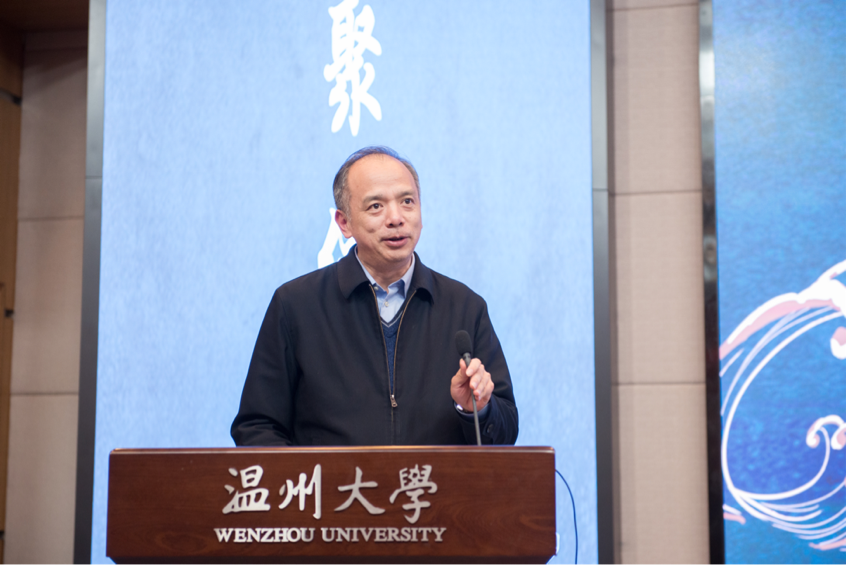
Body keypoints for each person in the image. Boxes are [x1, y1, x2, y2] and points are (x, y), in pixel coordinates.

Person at [231, 146, 518, 446]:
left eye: (407, 202)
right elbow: (257, 427)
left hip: (430, 479)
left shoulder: (465, 307)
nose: (396, 218)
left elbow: (507, 432)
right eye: (376, 206)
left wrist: (477, 410)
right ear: (344, 223)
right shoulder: (296, 305)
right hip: (333, 480)